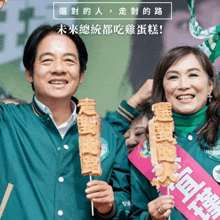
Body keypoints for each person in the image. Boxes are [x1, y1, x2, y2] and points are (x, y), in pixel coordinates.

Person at [0, 24, 135, 219]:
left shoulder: (109, 136)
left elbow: (126, 204)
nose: (59, 69)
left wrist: (110, 207)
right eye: (47, 60)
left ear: (81, 74)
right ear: (29, 73)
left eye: (69, 61)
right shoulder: (7, 121)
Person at [129, 46, 220, 219]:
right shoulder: (146, 153)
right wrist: (150, 217)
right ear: (162, 90)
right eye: (173, 77)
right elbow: (135, 213)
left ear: (210, 86)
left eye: (193, 75)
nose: (184, 85)